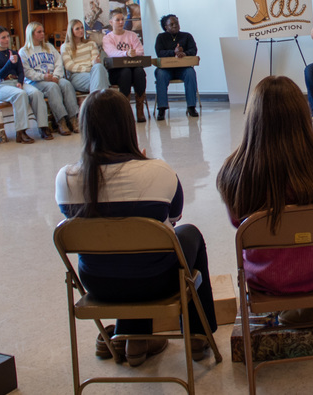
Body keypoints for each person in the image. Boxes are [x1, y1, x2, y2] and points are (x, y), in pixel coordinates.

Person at [55, 90, 217, 365]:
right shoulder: (158, 171)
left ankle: (130, 337)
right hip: (156, 282)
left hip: (97, 283)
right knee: (186, 235)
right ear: (128, 125)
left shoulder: (66, 179)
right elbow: (175, 217)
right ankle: (197, 338)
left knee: (122, 252)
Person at [217, 76, 313, 324]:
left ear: (252, 117)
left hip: (267, 277)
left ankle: (284, 310)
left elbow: (240, 224)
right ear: (302, 114)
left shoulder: (234, 169)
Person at [0, 25, 50, 143]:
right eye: (3, 38)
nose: (6, 40)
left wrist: (20, 82)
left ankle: (43, 126)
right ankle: (21, 131)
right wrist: (10, 63)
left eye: (7, 37)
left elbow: (20, 70)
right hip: (3, 85)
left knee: (36, 93)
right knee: (20, 95)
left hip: (17, 82)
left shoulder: (13, 52)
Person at [20, 22, 79, 135]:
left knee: (66, 84)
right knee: (52, 87)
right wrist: (43, 77)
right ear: (31, 34)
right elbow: (27, 72)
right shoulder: (24, 51)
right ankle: (61, 121)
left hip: (53, 77)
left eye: (43, 31)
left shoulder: (49, 47)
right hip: (36, 81)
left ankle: (73, 119)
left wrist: (56, 76)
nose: (43, 34)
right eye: (39, 32)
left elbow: (58, 63)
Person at [102, 9, 147, 123]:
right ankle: (125, 110)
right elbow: (112, 53)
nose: (121, 22)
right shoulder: (108, 38)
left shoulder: (132, 35)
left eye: (122, 19)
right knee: (126, 72)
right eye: (117, 20)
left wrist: (133, 53)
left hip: (134, 68)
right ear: (111, 22)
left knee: (139, 72)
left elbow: (140, 51)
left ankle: (140, 110)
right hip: (117, 71)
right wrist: (126, 53)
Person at [154, 14, 199, 121]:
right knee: (160, 74)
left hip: (182, 68)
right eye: (172, 24)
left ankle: (191, 107)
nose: (175, 26)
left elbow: (193, 50)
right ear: (166, 27)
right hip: (166, 69)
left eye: (177, 23)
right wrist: (173, 52)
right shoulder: (161, 37)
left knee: (190, 73)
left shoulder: (187, 36)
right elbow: (159, 53)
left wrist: (184, 53)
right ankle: (162, 109)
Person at [61, 19, 107, 96]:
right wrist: (88, 69)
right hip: (77, 76)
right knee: (100, 79)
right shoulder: (65, 46)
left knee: (98, 68)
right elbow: (69, 66)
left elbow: (94, 60)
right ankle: (102, 102)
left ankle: (96, 104)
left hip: (94, 72)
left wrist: (93, 66)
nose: (81, 30)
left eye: (82, 27)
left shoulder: (91, 43)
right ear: (71, 31)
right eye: (77, 29)